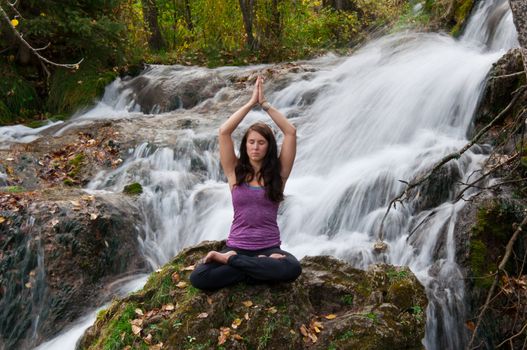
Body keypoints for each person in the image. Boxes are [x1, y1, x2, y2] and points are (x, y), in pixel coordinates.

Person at [189, 75, 302, 290]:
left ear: (269, 147)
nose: (255, 147)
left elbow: (290, 132)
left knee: (292, 268)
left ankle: (233, 264)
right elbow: (224, 131)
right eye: (251, 142)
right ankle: (256, 268)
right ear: (245, 145)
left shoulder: (279, 174)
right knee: (199, 277)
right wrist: (250, 104)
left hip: (269, 248)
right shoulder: (234, 172)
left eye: (261, 142)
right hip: (237, 246)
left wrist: (265, 105)